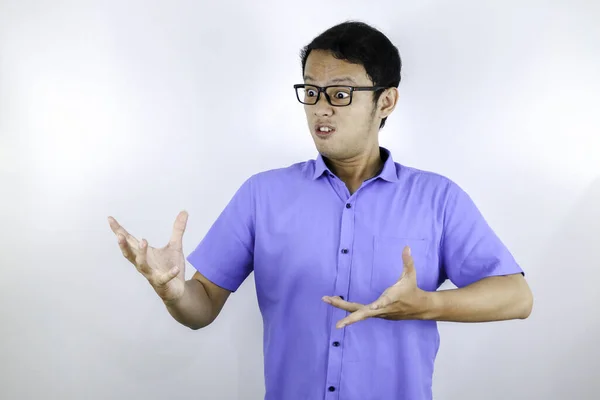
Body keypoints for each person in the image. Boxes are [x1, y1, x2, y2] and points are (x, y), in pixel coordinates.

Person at [108, 21, 533, 400]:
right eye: (311, 91)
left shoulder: (437, 198)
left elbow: (516, 297)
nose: (321, 107)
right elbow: (200, 309)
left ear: (386, 102)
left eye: (341, 92)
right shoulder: (263, 195)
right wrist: (175, 292)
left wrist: (425, 304)